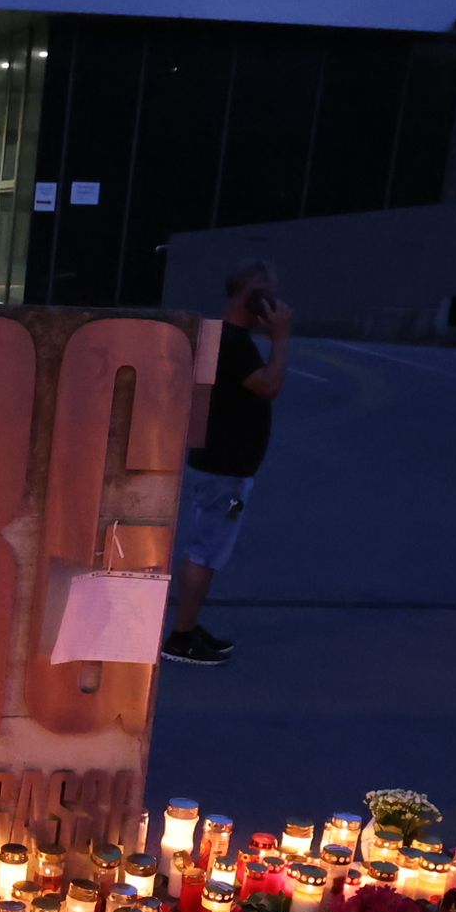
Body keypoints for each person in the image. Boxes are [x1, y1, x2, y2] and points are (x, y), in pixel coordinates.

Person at [161, 265, 288, 666]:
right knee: (206, 551)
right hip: (224, 468)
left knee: (207, 548)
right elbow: (270, 386)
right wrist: (281, 338)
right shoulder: (232, 342)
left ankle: (188, 625)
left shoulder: (221, 336)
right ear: (251, 297)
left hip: (217, 461)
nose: (274, 303)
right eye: (267, 294)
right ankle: (180, 637)